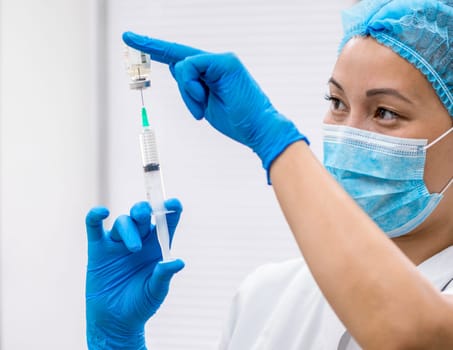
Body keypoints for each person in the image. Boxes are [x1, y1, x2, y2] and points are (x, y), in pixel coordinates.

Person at [84, 0, 453, 349]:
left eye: (386, 112)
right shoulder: (266, 297)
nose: (349, 136)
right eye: (337, 103)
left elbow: (408, 332)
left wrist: (273, 139)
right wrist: (118, 341)